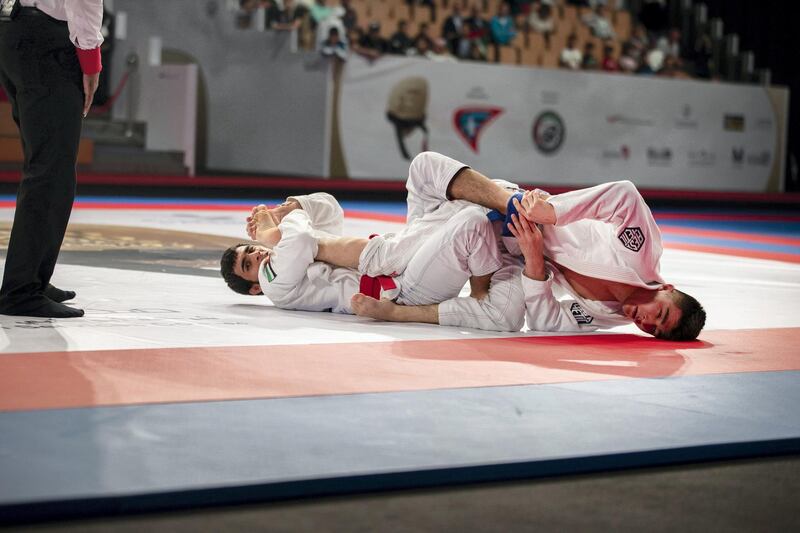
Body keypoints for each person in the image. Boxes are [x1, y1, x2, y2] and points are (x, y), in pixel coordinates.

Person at [349, 152, 706, 341]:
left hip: (511, 256)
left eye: (652, 331)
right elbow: (624, 195)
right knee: (423, 175)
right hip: (509, 211)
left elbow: (545, 321)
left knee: (506, 319)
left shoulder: (607, 316)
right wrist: (551, 213)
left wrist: (535, 263)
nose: (646, 322)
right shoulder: (642, 255)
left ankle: (402, 304)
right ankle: (310, 227)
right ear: (667, 289)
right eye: (659, 315)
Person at [220, 190, 503, 317]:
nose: (256, 254)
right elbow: (303, 240)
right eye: (248, 263)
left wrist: (288, 209)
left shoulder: (287, 245)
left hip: (396, 260)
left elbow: (330, 209)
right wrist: (273, 233)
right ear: (255, 288)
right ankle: (484, 298)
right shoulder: (275, 285)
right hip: (402, 292)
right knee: (470, 220)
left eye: (250, 249)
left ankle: (521, 216)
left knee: (459, 199)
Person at [0, 0, 103, 318]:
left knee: (44, 165)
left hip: (14, 29)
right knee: (51, 170)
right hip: (44, 39)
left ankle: (33, 279)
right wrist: (91, 60)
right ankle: (21, 290)